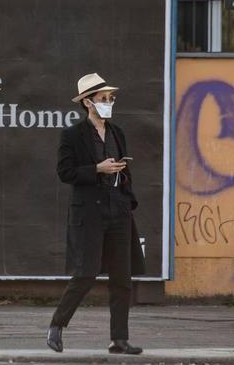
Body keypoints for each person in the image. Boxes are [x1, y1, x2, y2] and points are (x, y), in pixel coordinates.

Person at [46, 73, 145, 355]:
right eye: (103, 98)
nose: (109, 102)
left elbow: (125, 170)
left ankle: (119, 340)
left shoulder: (117, 132)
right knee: (86, 273)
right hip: (90, 213)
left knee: (122, 278)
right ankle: (56, 325)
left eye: (111, 98)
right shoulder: (73, 135)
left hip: (119, 210)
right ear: (88, 102)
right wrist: (97, 170)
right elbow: (65, 173)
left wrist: (124, 187)